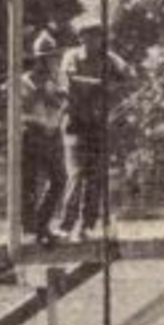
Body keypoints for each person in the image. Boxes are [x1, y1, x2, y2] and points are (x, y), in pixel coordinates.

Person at [56, 16, 131, 241]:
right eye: (88, 36)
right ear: (80, 38)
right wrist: (101, 85)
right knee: (77, 174)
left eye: (98, 36)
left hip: (98, 124)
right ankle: (65, 226)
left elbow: (128, 77)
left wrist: (116, 76)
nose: (93, 41)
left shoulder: (107, 59)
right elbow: (70, 81)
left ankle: (86, 225)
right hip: (75, 123)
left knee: (96, 177)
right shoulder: (72, 56)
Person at [21, 29, 67, 246]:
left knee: (59, 179)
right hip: (32, 132)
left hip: (53, 132)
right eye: (43, 59)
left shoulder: (58, 79)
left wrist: (52, 95)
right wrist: (38, 94)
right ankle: (29, 229)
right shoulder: (25, 81)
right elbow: (23, 108)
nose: (47, 63)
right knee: (29, 182)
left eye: (51, 58)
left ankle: (41, 223)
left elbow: (63, 102)